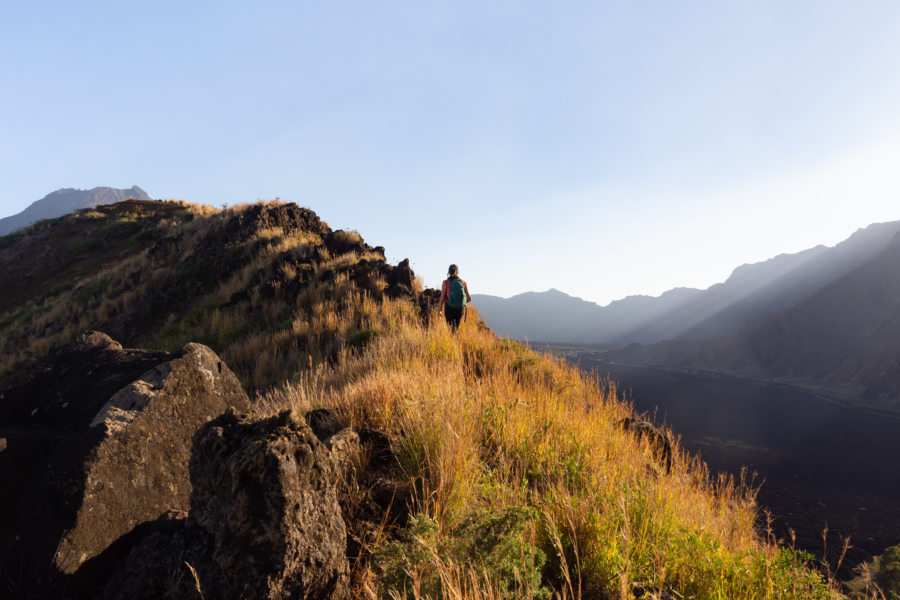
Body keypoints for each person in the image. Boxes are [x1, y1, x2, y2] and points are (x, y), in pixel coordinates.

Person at [440, 264, 471, 331]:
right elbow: (469, 298)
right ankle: (455, 340)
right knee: (456, 329)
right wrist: (461, 302)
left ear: (448, 272)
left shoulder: (445, 283)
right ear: (457, 272)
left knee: (450, 329)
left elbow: (442, 298)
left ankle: (452, 341)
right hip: (460, 309)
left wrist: (439, 311)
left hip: (449, 308)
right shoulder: (463, 282)